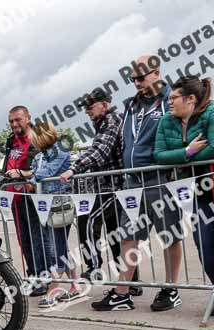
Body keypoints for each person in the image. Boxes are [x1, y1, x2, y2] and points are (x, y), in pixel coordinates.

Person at [92, 55, 178, 312]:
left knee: (169, 234)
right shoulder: (131, 105)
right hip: (132, 181)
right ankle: (122, 293)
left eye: (141, 77)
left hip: (159, 178)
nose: (137, 82)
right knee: (128, 236)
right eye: (133, 79)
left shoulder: (169, 99)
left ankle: (172, 288)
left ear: (156, 72)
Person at [59, 88, 129, 283]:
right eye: (85, 108)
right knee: (117, 233)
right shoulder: (103, 123)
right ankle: (128, 283)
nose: (87, 111)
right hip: (110, 186)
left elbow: (100, 151)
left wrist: (73, 169)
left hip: (115, 187)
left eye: (90, 107)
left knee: (88, 220)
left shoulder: (111, 120)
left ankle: (94, 267)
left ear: (104, 105)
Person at [154, 76, 214, 283]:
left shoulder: (211, 113)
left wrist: (180, 159)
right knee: (205, 248)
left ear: (190, 99)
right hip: (196, 194)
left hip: (212, 185)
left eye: (174, 98)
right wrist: (187, 152)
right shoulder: (165, 121)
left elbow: (213, 148)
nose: (169, 102)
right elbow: (159, 155)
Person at [24, 122, 81, 308]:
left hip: (59, 202)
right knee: (60, 246)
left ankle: (54, 288)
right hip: (44, 204)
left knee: (55, 248)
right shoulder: (40, 155)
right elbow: (34, 173)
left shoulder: (61, 148)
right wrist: (28, 176)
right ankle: (75, 285)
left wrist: (28, 177)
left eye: (33, 136)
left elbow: (44, 173)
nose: (31, 140)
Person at [0, 105, 46, 296]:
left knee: (37, 240)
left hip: (31, 196)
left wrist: (21, 173)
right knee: (23, 240)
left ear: (28, 118)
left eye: (18, 120)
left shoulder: (37, 137)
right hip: (15, 197)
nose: (14, 124)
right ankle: (33, 276)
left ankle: (43, 279)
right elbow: (8, 162)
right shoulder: (12, 140)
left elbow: (39, 168)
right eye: (11, 121)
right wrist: (4, 176)